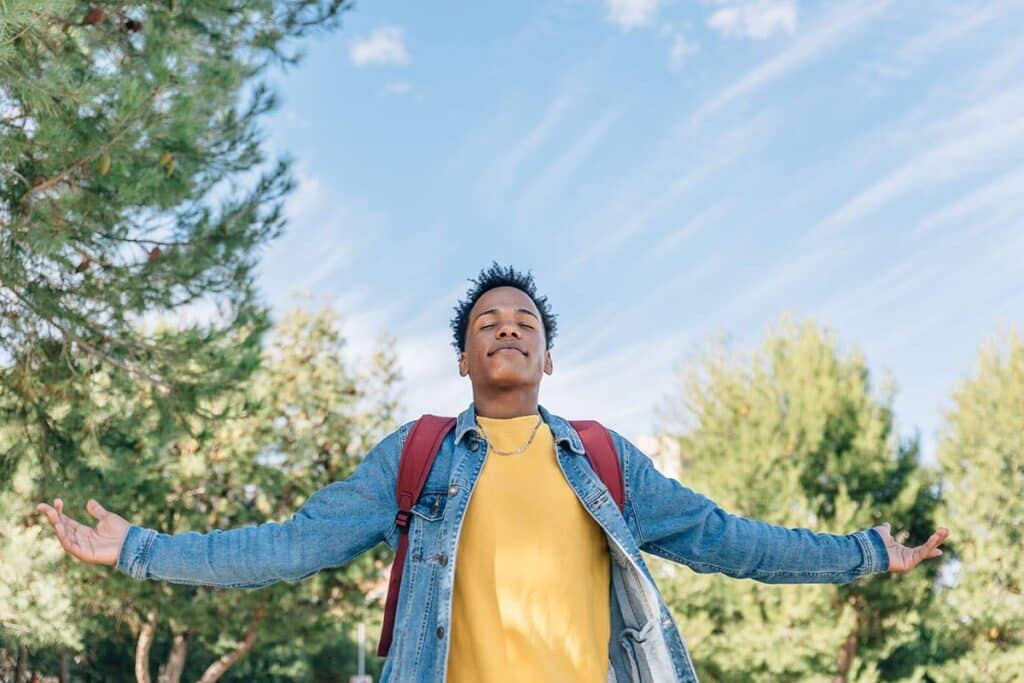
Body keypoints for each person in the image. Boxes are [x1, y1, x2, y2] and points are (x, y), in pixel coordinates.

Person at [38, 262, 949, 682]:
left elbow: (731, 541)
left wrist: (866, 552)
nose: (506, 326)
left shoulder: (600, 458)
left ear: (548, 358)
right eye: (486, 322)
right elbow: (291, 545)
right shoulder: (420, 455)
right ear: (464, 360)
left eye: (525, 321)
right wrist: (139, 549)